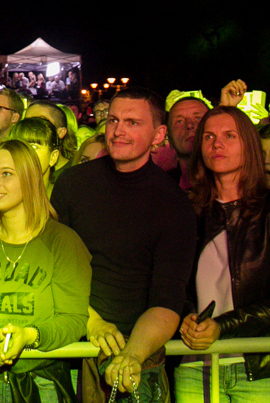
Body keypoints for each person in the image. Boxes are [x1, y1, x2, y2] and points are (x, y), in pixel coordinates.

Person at [51, 87, 196, 403]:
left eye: (133, 122)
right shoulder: (73, 184)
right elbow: (52, 266)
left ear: (159, 135)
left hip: (137, 351)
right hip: (68, 345)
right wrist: (92, 322)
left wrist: (131, 354)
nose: (118, 130)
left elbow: (168, 299)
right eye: (114, 120)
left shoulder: (173, 204)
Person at [175, 107, 270, 402]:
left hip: (260, 368)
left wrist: (222, 327)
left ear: (248, 145)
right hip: (194, 364)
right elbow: (171, 282)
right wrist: (184, 317)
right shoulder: (186, 209)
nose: (216, 144)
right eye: (208, 136)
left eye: (229, 136)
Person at [0, 140, 91, 403]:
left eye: (6, 174)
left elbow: (73, 319)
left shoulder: (63, 241)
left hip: (39, 382)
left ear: (29, 178)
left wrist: (29, 336)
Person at [6, 117, 64, 198]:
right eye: (19, 146)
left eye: (34, 147)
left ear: (53, 157)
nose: (25, 152)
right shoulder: (3, 197)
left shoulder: (64, 201)